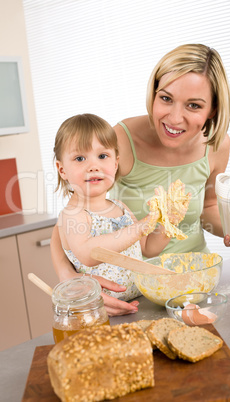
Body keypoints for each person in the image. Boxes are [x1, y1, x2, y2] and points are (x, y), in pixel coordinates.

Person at [51, 43, 230, 316]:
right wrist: (71, 279)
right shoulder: (120, 140)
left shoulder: (217, 146)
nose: (174, 118)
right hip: (138, 291)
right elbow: (70, 218)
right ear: (153, 94)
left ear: (212, 110)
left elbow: (208, 208)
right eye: (165, 99)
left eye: (194, 105)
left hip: (194, 281)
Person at [53, 113, 172, 305]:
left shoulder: (120, 207)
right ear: (62, 170)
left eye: (102, 156)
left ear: (115, 164)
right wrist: (140, 227)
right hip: (97, 312)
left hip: (140, 302)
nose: (93, 166)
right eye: (80, 158)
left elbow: (149, 248)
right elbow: (88, 253)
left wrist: (166, 224)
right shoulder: (72, 215)